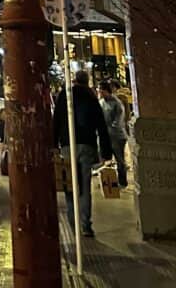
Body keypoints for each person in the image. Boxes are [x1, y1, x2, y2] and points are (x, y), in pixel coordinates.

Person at [53, 69, 113, 237]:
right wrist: (107, 152)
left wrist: (53, 144)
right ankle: (86, 224)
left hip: (67, 144)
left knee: (69, 184)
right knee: (85, 186)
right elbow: (101, 126)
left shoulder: (65, 96)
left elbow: (56, 119)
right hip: (87, 145)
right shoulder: (92, 98)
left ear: (74, 81)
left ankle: (73, 222)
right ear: (87, 82)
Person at [99, 79, 128, 189]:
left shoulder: (117, 103)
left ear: (107, 91)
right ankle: (109, 181)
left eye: (101, 91)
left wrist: (108, 128)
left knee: (119, 159)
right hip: (106, 135)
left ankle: (122, 181)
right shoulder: (101, 102)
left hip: (117, 136)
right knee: (105, 159)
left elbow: (118, 121)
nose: (100, 93)